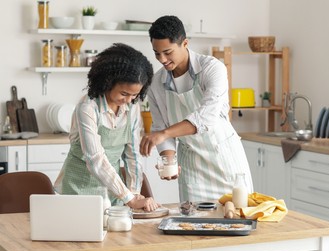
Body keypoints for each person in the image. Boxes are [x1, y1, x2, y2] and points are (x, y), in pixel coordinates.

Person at [140, 15, 253, 202]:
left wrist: (165, 134)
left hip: (225, 160)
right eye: (157, 53)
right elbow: (160, 126)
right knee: (192, 224)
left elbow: (206, 117)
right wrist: (169, 160)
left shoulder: (212, 69)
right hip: (192, 166)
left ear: (184, 43)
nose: (162, 59)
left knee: (238, 219)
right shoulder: (156, 84)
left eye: (168, 52)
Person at [55, 43, 159, 211]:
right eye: (124, 93)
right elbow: (95, 159)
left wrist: (133, 192)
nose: (129, 100)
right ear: (108, 82)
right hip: (78, 190)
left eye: (135, 95)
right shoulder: (87, 107)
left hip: (114, 192)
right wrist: (129, 199)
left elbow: (133, 155)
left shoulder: (132, 107)